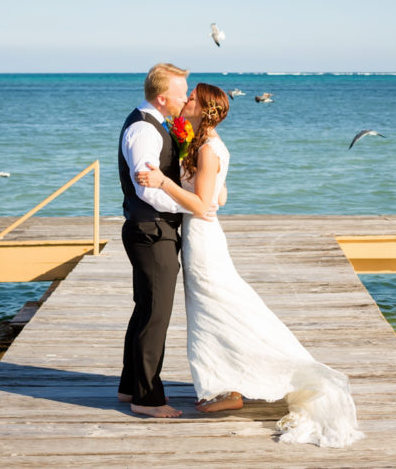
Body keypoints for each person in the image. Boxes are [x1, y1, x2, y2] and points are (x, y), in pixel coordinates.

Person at [136, 83, 364, 448]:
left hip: (204, 241)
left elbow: (201, 204)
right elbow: (220, 196)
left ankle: (236, 388)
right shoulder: (206, 145)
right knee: (214, 311)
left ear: (205, 109)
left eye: (191, 98)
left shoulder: (209, 149)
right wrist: (199, 187)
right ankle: (228, 389)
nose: (186, 101)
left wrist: (164, 181)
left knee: (218, 309)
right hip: (204, 235)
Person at [116, 62, 192, 418]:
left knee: (145, 309)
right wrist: (189, 207)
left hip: (148, 230)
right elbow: (147, 187)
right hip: (151, 230)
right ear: (163, 98)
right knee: (156, 315)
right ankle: (147, 399)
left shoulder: (152, 123)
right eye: (182, 92)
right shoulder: (145, 132)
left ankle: (129, 385)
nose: (187, 97)